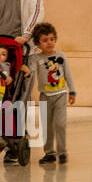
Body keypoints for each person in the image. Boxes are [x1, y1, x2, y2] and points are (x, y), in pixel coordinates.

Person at [30, 23, 74, 165]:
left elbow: (68, 74)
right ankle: (49, 153)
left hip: (61, 94)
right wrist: (26, 69)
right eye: (45, 40)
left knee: (60, 124)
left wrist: (72, 91)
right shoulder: (35, 58)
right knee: (46, 126)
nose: (49, 42)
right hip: (45, 96)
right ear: (38, 43)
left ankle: (62, 152)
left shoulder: (61, 56)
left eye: (52, 39)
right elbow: (31, 71)